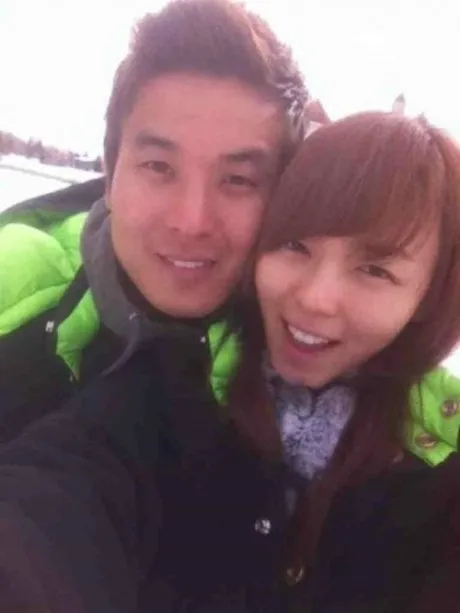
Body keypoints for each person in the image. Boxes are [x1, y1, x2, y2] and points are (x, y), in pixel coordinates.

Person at [0, 111, 459, 612]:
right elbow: (63, 494)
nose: (316, 298)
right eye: (294, 246)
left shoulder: (440, 477)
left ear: (428, 295)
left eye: (374, 270)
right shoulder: (176, 385)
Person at [0, 0, 308, 441]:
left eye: (238, 179)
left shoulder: (323, 343)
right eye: (159, 167)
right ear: (110, 174)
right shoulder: (15, 284)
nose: (192, 222)